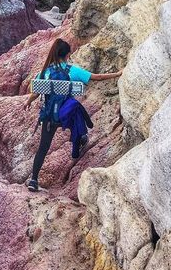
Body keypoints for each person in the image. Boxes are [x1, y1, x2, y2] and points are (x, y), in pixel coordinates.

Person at [23, 38, 122, 192]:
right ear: (67, 55)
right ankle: (81, 138)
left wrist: (28, 102)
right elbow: (97, 77)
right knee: (76, 110)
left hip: (50, 117)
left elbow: (36, 92)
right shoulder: (72, 70)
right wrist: (117, 74)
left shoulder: (45, 71)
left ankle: (34, 180)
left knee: (43, 148)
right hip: (65, 115)